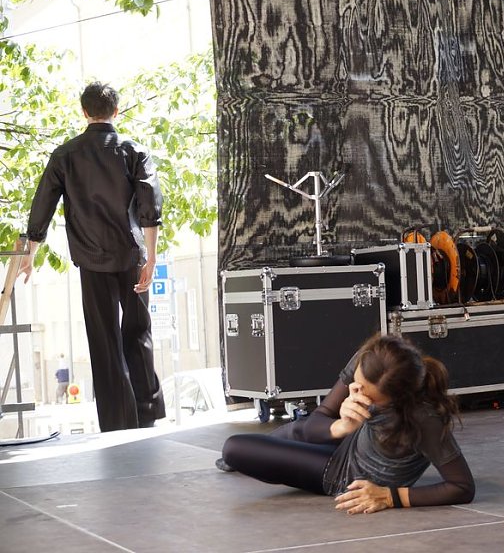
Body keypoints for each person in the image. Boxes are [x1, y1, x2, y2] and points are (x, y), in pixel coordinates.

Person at [18, 82, 165, 431]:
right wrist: (151, 258)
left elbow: (43, 204)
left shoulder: (65, 154)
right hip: (131, 256)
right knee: (139, 331)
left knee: (103, 340)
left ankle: (117, 421)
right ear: (116, 111)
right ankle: (147, 412)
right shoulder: (134, 151)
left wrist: (31, 252)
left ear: (84, 112)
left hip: (91, 259)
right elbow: (151, 208)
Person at [219, 335, 475, 513]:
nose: (357, 391)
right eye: (356, 383)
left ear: (398, 401)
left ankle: (265, 451)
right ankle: (272, 447)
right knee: (297, 430)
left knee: (235, 449)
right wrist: (340, 426)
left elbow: (462, 487)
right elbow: (322, 415)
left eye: (368, 395)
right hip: (349, 440)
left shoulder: (423, 418)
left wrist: (389, 496)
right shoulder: (369, 359)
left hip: (345, 475)